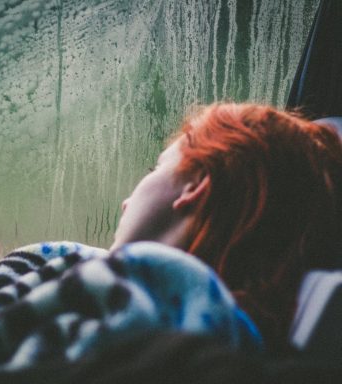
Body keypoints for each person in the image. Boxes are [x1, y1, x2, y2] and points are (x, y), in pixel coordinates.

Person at [110, 102, 342, 350]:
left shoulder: (109, 314)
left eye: (156, 168)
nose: (127, 203)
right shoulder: (236, 348)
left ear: (197, 186)